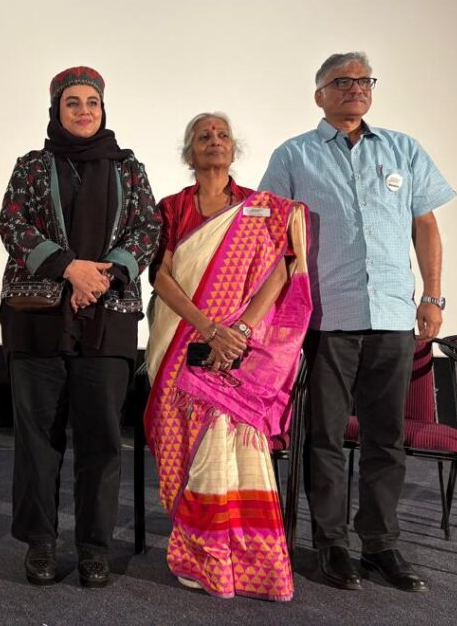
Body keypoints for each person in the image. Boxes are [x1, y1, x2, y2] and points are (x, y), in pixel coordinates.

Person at [259, 52, 455, 593]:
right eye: (341, 82)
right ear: (319, 93)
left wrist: (433, 296)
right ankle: (331, 544)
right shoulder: (293, 156)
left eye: (363, 80)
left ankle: (381, 543)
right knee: (322, 436)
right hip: (327, 316)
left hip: (393, 314)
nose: (355, 88)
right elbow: (272, 236)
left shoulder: (402, 149)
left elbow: (426, 226)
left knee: (385, 437)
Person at [0, 66, 160, 588]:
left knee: (102, 440)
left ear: (103, 108)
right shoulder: (31, 165)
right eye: (73, 103)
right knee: (37, 440)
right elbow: (12, 224)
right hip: (39, 322)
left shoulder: (129, 169)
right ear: (56, 109)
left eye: (92, 101)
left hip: (107, 321)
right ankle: (40, 544)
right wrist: (69, 267)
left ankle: (93, 547)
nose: (84, 110)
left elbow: (147, 228)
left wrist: (102, 275)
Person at [144, 112, 311, 601]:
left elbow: (281, 272)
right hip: (182, 341)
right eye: (203, 136)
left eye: (221, 135)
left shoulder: (263, 209)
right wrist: (207, 327)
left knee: (234, 444)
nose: (213, 141)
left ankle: (249, 561)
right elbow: (161, 277)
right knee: (186, 440)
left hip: (242, 350)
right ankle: (199, 552)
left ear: (234, 149)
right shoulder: (173, 208)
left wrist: (236, 330)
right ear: (188, 152)